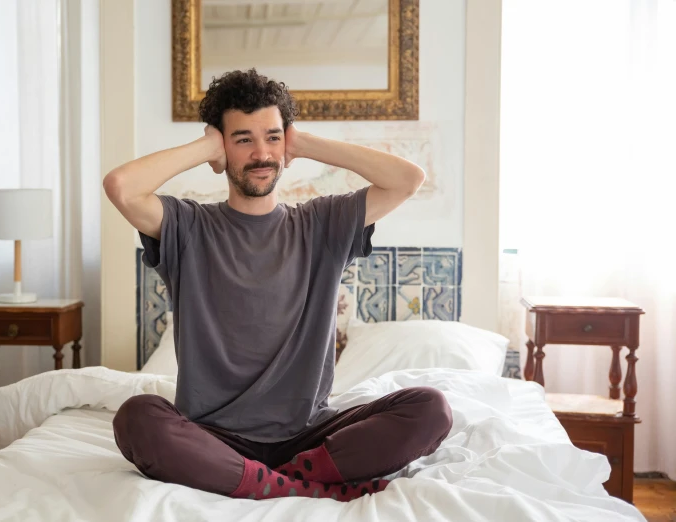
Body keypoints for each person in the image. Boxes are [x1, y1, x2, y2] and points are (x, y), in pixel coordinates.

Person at [104, 69, 453, 502]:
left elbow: (407, 179)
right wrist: (205, 147)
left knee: (430, 408)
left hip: (309, 435)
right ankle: (291, 485)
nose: (261, 154)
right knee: (137, 418)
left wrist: (302, 143)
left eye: (272, 138)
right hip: (213, 437)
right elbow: (120, 187)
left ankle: (277, 479)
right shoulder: (187, 227)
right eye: (243, 139)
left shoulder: (322, 224)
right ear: (223, 147)